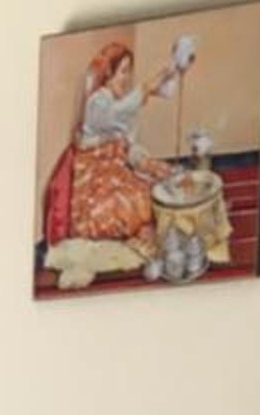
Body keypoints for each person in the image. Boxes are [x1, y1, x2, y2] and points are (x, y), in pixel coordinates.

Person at [40, 39, 180, 254]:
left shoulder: (119, 102)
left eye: (129, 72)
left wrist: (146, 162)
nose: (127, 78)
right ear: (108, 74)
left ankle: (145, 231)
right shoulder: (98, 102)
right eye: (123, 72)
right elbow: (116, 115)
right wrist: (147, 87)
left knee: (158, 184)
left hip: (116, 169)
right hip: (94, 177)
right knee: (129, 201)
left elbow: (128, 142)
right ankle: (136, 233)